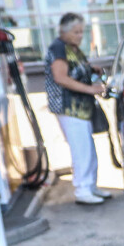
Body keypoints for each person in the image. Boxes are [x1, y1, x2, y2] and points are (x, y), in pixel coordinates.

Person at [45, 12, 109, 205]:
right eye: (75, 32)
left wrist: (92, 69)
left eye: (81, 31)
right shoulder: (58, 49)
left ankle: (90, 186)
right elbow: (61, 77)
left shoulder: (72, 48)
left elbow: (78, 68)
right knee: (81, 149)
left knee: (88, 148)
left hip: (81, 108)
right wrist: (90, 89)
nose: (80, 36)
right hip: (69, 107)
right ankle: (82, 189)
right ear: (63, 31)